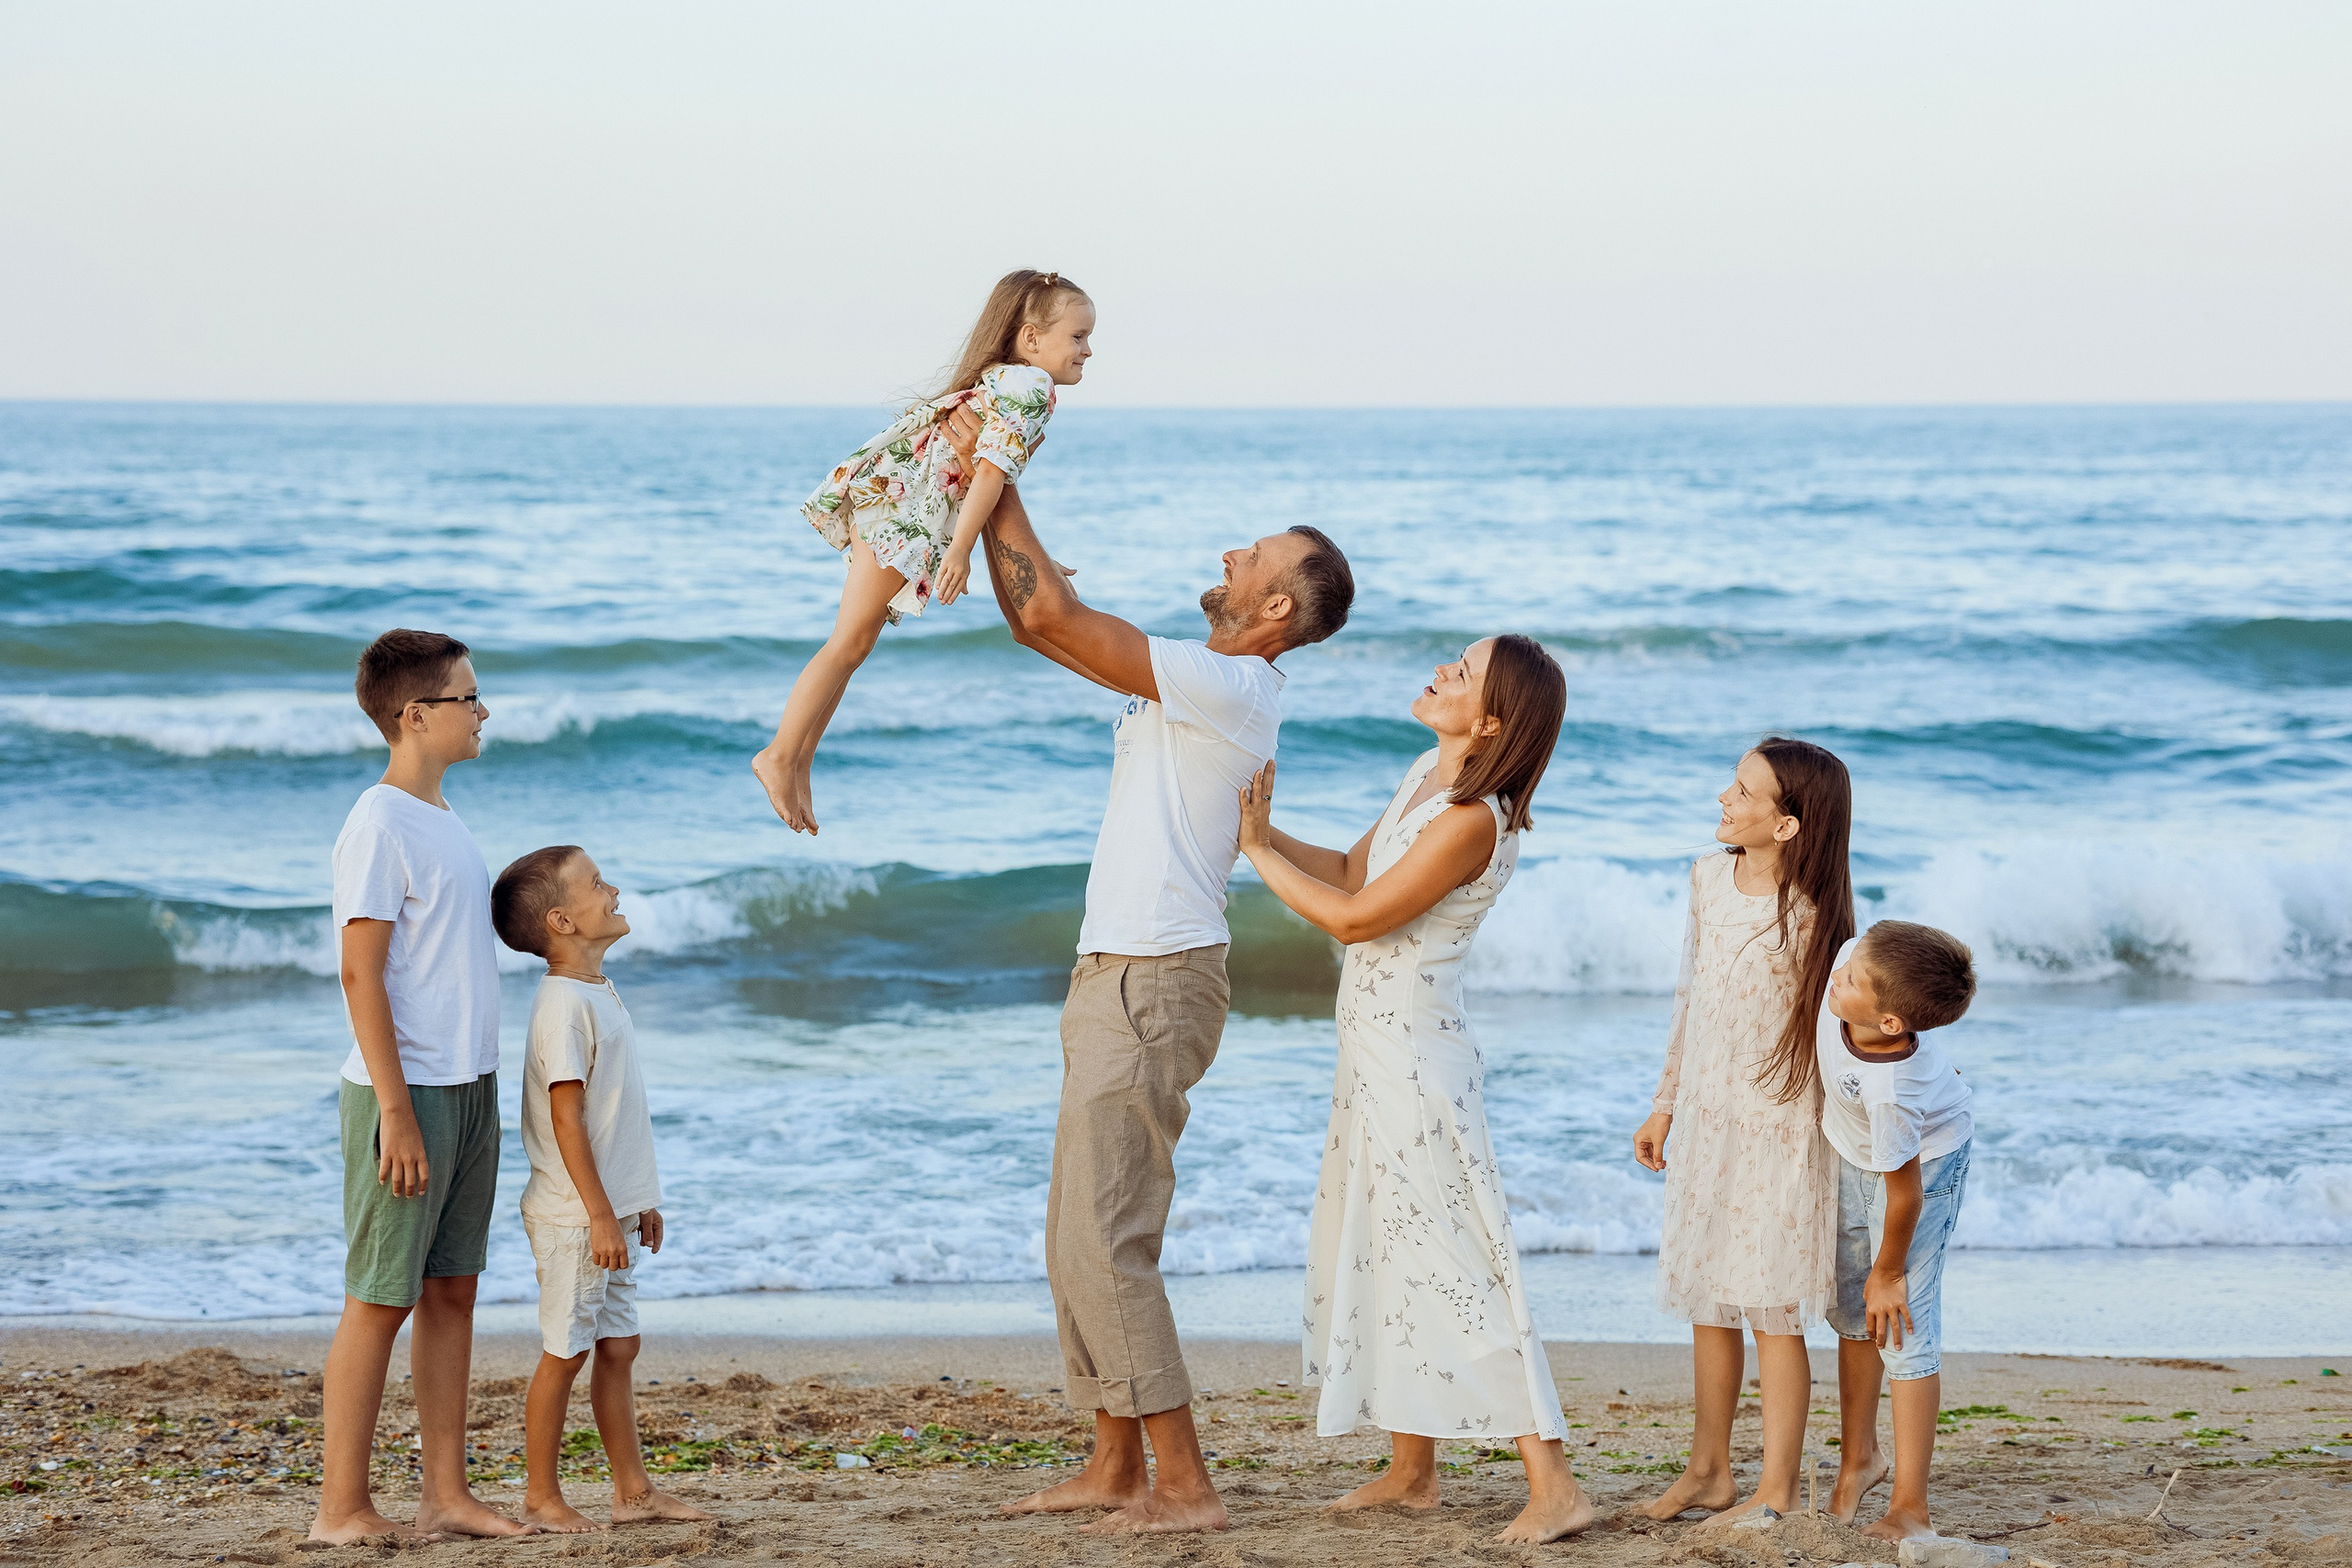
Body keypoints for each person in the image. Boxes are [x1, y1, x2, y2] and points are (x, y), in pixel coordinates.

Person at [970, 461, 1353, 1536]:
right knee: (1072, 1234)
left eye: (1255, 557)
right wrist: (995, 512)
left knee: (1107, 1238)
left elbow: (1049, 609)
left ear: (1275, 609)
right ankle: (1112, 1462)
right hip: (1116, 970)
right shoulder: (1190, 682)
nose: (1232, 555)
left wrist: (996, 472)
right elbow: (1036, 626)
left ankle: (1183, 1488)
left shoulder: (1230, 682)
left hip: (1156, 977)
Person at [1235, 635, 1594, 1545]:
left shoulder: (1476, 819)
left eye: (1463, 673)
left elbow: (1356, 921)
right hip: (1373, 1051)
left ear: (1494, 721)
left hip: (1417, 1062)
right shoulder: (1424, 778)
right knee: (1387, 1250)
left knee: (1454, 1262)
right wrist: (1261, 828)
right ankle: (1411, 1469)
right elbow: (1356, 872)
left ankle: (1554, 1484)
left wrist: (1250, 853)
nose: (1441, 670)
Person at [310, 630, 530, 1544]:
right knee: (380, 1297)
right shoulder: (379, 823)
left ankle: (446, 1494)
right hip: (407, 1097)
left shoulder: (440, 818)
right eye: (468, 699)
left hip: (467, 1088)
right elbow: (361, 975)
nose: (483, 712)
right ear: (414, 716)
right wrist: (396, 1113)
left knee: (452, 1293)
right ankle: (341, 1510)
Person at [753, 268, 1095, 834]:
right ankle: (780, 756)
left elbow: (986, 476)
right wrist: (960, 552)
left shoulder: (1005, 379)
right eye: (1078, 337)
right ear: (1032, 338)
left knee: (854, 643)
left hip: (902, 499)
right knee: (847, 642)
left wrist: (1039, 557)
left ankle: (798, 761)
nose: (1088, 349)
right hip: (906, 510)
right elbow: (987, 475)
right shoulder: (1035, 389)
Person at [1629, 738, 1855, 1526]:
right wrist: (1666, 1102)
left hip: (1784, 1128)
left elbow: (1840, 1039)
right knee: (1710, 1296)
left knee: (1771, 1306)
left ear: (1787, 824)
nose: (1724, 797)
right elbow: (1689, 998)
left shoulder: (1817, 915)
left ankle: (1778, 1490)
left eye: (1743, 790)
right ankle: (1710, 1470)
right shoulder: (1706, 878)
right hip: (1711, 1116)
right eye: (1732, 782)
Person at [489, 844, 714, 1534]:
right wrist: (599, 1216)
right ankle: (539, 1495)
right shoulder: (562, 1006)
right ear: (561, 920)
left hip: (605, 1213)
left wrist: (636, 1199)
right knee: (567, 1350)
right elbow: (567, 1120)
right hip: (574, 1219)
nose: (612, 889)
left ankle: (634, 1492)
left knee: (618, 1346)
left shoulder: (596, 989)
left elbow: (616, 1113)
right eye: (596, 884)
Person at [1816, 920, 1977, 1542]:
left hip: (1924, 1167)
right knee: (1857, 1311)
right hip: (1860, 1151)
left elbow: (1904, 1192)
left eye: (1853, 978)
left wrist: (1889, 1271)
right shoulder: (1855, 967)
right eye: (1851, 962)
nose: (1840, 974)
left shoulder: (1890, 1088)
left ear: (1890, 1022)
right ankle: (1860, 1458)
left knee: (1901, 1316)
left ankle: (1911, 1504)